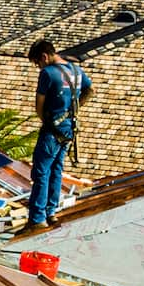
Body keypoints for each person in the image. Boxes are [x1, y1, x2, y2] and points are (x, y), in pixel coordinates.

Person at [26, 39, 91, 231]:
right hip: (69, 128)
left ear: (44, 57)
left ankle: (37, 219)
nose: (38, 66)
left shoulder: (47, 73)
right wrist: (74, 108)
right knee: (56, 169)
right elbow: (90, 89)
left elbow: (39, 104)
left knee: (41, 171)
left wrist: (45, 119)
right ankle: (51, 212)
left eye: (37, 62)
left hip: (52, 129)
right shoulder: (76, 71)